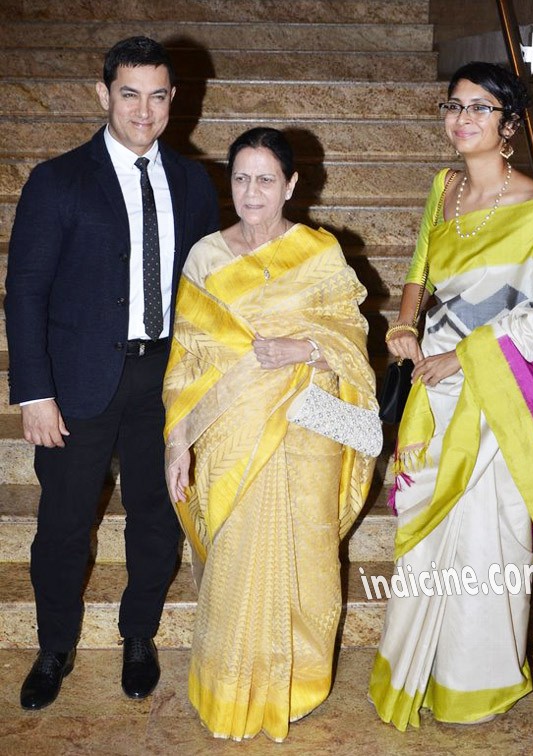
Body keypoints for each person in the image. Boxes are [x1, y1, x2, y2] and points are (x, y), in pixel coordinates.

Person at [368, 61, 533, 730]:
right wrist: (406, 321)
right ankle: (414, 665)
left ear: (509, 124)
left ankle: (475, 682)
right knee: (424, 539)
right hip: (433, 394)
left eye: (480, 107)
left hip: (494, 398)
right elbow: (419, 270)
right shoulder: (442, 188)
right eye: (454, 106)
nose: (462, 118)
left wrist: (463, 357)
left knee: (488, 542)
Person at [5, 36, 219, 710]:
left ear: (174, 100)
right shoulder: (58, 178)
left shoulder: (193, 181)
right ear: (104, 95)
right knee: (65, 525)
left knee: (156, 517)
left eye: (158, 95)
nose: (144, 109)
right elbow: (26, 293)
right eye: (129, 93)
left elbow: (211, 288)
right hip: (77, 385)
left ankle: (139, 637)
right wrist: (34, 393)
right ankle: (55, 647)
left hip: (164, 380)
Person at [163, 126, 377, 742]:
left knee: (306, 557)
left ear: (291, 185)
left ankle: (298, 682)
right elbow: (187, 358)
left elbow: (351, 341)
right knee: (233, 557)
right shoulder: (205, 256)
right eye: (240, 178)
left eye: (265, 179)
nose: (251, 191)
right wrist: (178, 440)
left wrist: (303, 345)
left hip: (308, 429)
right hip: (229, 433)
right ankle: (228, 686)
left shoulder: (319, 253)